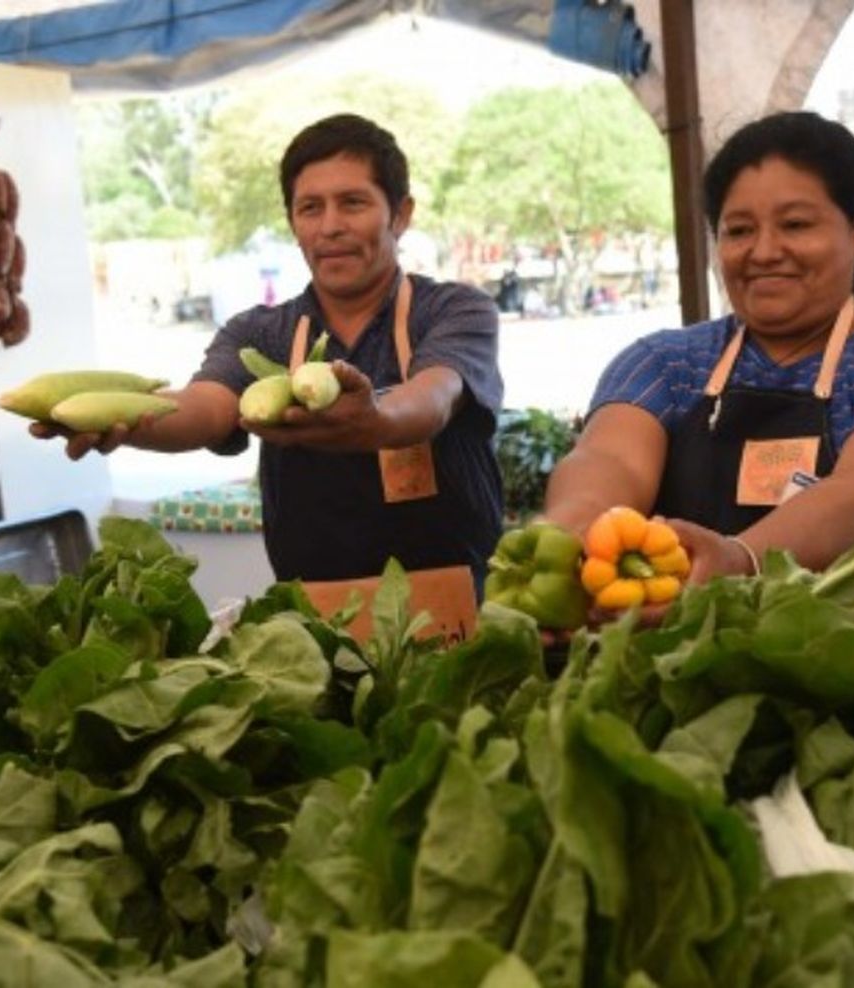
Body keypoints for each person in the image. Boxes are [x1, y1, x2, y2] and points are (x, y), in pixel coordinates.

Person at [35, 114, 504, 621]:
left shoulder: (454, 310)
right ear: (292, 221)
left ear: (400, 214)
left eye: (353, 202)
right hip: (317, 620)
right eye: (310, 208)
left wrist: (377, 421)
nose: (330, 226)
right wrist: (124, 424)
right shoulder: (260, 335)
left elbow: (433, 397)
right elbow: (204, 408)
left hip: (454, 610)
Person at [543, 111, 854, 585]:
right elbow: (608, 460)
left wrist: (742, 560)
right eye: (738, 230)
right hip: (674, 655)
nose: (763, 251)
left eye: (795, 224)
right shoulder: (665, 362)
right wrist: (569, 538)